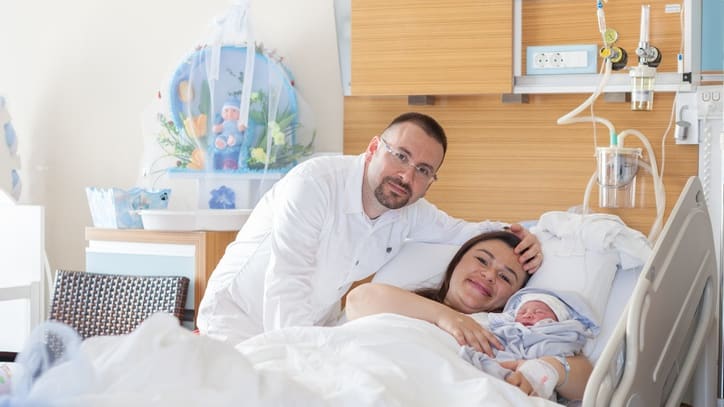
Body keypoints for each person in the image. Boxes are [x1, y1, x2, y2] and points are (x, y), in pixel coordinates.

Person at [197, 112, 543, 344]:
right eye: (401, 156)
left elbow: (464, 233)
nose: (407, 176)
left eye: (423, 170)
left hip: (316, 326)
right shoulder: (315, 184)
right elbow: (287, 283)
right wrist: (302, 359)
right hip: (239, 318)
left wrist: (526, 236)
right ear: (374, 148)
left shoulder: (409, 210)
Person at [345, 231, 593, 401]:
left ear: (513, 297)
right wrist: (447, 317)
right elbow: (359, 300)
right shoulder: (408, 303)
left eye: (505, 277)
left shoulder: (502, 331)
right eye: (482, 260)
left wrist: (545, 370)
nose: (488, 275)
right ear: (457, 261)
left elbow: (588, 381)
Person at [460, 290, 597, 400]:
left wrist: (542, 369)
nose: (528, 315)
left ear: (558, 320)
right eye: (522, 311)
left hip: (530, 386)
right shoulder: (502, 327)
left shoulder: (557, 335)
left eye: (539, 312)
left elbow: (573, 364)